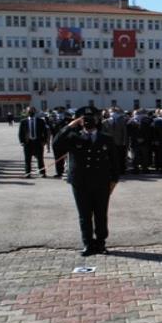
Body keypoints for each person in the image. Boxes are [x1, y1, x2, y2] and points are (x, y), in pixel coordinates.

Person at [53, 106, 119, 256]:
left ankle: (101, 243)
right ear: (80, 120)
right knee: (84, 215)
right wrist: (70, 126)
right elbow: (56, 144)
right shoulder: (73, 137)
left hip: (101, 182)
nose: (88, 121)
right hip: (80, 181)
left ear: (98, 119)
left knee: (101, 214)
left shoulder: (106, 138)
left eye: (92, 118)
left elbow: (115, 162)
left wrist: (114, 180)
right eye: (85, 118)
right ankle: (88, 244)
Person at [18, 106, 48, 178]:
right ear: (27, 113)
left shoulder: (40, 121)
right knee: (27, 159)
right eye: (29, 111)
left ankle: (42, 172)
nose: (30, 113)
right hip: (28, 143)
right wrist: (22, 141)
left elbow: (45, 132)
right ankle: (28, 173)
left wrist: (44, 141)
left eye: (32, 111)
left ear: (35, 112)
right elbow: (20, 133)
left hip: (38, 142)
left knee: (40, 159)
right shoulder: (23, 121)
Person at [102, 107, 128, 175]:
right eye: (110, 112)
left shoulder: (122, 120)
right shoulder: (105, 121)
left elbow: (124, 132)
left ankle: (121, 170)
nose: (111, 113)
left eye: (112, 112)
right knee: (112, 157)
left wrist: (124, 141)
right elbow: (103, 133)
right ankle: (113, 170)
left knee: (120, 157)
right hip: (111, 143)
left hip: (119, 142)